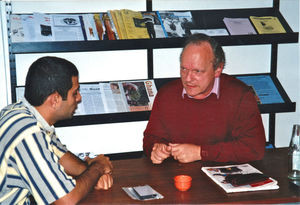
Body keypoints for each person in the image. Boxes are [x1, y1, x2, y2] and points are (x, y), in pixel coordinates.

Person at [0, 56, 113, 204]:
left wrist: (94, 171)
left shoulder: (20, 112)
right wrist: (98, 167)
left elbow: (66, 161)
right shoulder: (27, 132)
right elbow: (65, 200)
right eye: (75, 93)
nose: (79, 98)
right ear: (55, 100)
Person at [143, 33, 266, 164]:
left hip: (223, 177)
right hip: (177, 176)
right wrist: (156, 148)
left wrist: (200, 152)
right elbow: (151, 139)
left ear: (218, 69)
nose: (188, 78)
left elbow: (254, 148)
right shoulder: (167, 94)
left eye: (197, 71)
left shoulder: (240, 95)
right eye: (184, 69)